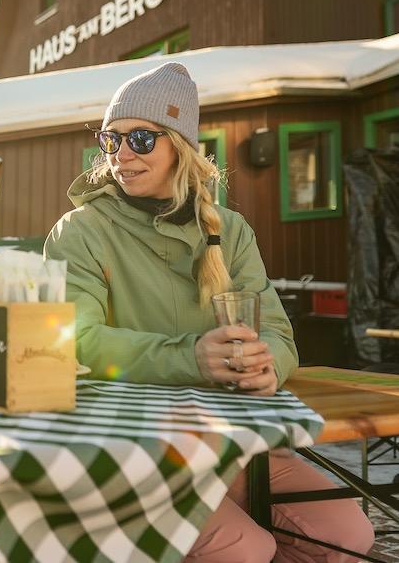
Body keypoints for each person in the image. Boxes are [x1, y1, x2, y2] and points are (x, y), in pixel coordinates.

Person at [43, 61, 374, 562]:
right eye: (111, 140)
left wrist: (269, 367)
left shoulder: (231, 231)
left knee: (346, 532)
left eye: (140, 139)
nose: (121, 156)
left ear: (179, 145)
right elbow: (75, 342)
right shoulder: (81, 232)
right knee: (242, 549)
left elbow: (279, 335)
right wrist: (191, 358)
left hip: (231, 441)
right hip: (137, 445)